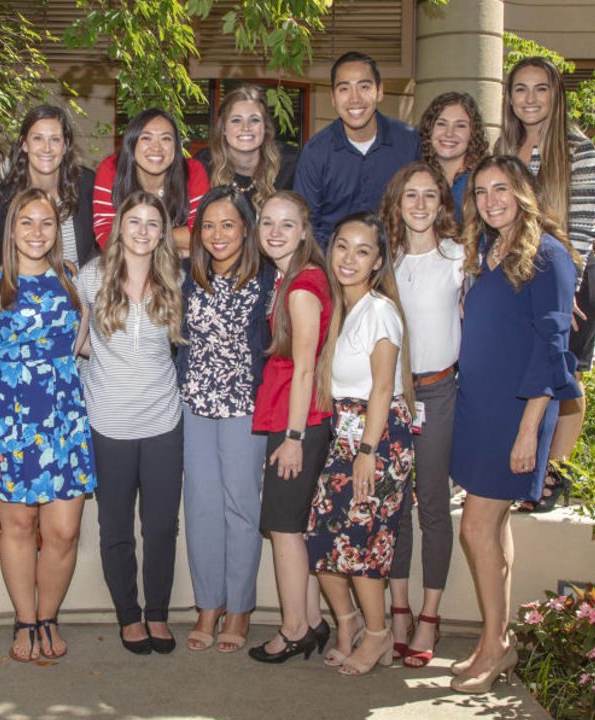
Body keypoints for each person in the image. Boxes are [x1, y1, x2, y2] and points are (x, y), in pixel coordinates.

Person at [449, 155, 581, 693]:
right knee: (494, 526)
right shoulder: (486, 248)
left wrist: (530, 429)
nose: (491, 199)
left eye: (501, 188)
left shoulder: (548, 255)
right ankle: (491, 640)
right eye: (481, 191)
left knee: (475, 526)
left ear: (524, 191)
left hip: (517, 410)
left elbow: (553, 349)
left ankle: (497, 645)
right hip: (481, 405)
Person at [0, 188, 97, 662]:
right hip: (10, 419)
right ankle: (25, 620)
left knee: (63, 532)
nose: (37, 232)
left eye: (46, 223)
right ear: (11, 230)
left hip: (63, 418)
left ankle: (48, 615)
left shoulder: (71, 280)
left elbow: (82, 345)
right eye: (26, 222)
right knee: (18, 527)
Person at [304, 212, 416, 677]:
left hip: (378, 438)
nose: (349, 258)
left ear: (378, 262)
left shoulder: (380, 310)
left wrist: (367, 451)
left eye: (362, 250)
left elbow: (384, 389)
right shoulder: (342, 311)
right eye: (342, 246)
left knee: (361, 545)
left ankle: (378, 634)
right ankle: (347, 623)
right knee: (323, 538)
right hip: (347, 436)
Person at [75, 191, 185, 655]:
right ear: (120, 226)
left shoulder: (175, 277)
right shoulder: (90, 276)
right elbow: (77, 342)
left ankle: (157, 612)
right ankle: (129, 615)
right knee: (116, 526)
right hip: (108, 422)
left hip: (163, 420)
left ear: (163, 233)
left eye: (152, 223)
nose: (142, 231)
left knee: (160, 526)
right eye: (134, 221)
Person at [497, 57, 595, 512]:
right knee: (527, 374)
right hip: (518, 277)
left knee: (566, 374)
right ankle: (526, 467)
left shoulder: (579, 150)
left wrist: (569, 289)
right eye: (521, 89)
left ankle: (555, 476)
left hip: (567, 277)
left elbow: (582, 226)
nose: (530, 99)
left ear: (556, 95)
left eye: (541, 89)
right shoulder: (505, 146)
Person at [176, 186, 276, 653]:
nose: (218, 235)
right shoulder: (187, 276)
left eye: (228, 224)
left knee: (241, 507)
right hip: (194, 404)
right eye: (209, 226)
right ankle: (208, 604)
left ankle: (239, 608)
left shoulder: (267, 279)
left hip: (244, 407)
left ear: (246, 229)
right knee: (200, 506)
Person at [379, 162, 464, 668]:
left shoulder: (459, 258)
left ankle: (430, 614)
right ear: (397, 202)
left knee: (431, 505)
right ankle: (400, 609)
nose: (419, 204)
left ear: (441, 204)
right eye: (409, 194)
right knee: (393, 509)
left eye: (429, 195)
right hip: (389, 398)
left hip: (438, 393)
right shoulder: (382, 261)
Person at [247, 192, 335, 663]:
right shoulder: (294, 278)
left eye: (287, 224)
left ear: (305, 231)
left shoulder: (301, 285)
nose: (275, 232)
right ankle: (315, 620)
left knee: (282, 528)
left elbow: (304, 368)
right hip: (295, 415)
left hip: (297, 420)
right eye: (267, 223)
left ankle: (294, 628)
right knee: (295, 528)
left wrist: (295, 439)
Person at [293, 52, 420, 250]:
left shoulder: (408, 142)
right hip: (334, 267)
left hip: (396, 264)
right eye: (344, 89)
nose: (354, 98)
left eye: (364, 87)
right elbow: (307, 224)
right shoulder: (316, 152)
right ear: (333, 98)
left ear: (379, 91)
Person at [0, 105, 97, 268]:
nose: (47, 148)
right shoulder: (3, 199)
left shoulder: (87, 185)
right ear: (24, 143)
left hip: (81, 288)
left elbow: (99, 249)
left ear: (65, 145)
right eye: (38, 138)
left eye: (55, 139)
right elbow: (1, 259)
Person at [92, 108, 210, 254]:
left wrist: (143, 239)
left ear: (176, 145)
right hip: (122, 263)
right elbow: (106, 236)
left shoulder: (192, 171)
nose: (156, 148)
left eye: (166, 138)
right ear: (132, 142)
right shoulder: (112, 169)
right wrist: (177, 245)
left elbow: (202, 235)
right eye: (146, 138)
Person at [193, 85, 299, 207]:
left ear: (265, 127)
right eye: (236, 120)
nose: (246, 128)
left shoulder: (290, 163)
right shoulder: (204, 163)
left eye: (254, 120)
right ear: (223, 128)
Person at [418, 92, 488, 224]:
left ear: (473, 133)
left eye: (460, 125)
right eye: (441, 124)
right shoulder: (416, 178)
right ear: (429, 129)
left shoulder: (478, 183)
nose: (449, 133)